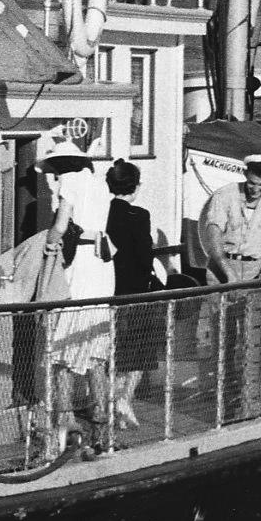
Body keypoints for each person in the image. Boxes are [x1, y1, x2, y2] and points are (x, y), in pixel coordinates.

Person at [37, 141, 116, 451]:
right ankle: (101, 427)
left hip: (80, 264)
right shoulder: (100, 184)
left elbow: (61, 224)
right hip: (101, 264)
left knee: (63, 350)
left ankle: (65, 421)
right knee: (95, 350)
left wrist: (48, 244)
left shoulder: (70, 181)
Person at [196, 153, 261, 409]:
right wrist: (227, 270)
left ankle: (245, 394)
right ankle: (221, 394)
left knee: (250, 335)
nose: (256, 190)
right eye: (252, 184)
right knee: (222, 335)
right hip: (222, 267)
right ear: (245, 176)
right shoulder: (224, 196)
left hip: (252, 271)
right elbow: (213, 233)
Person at [102, 158, 163, 430]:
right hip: (137, 293)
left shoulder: (102, 213)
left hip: (108, 291)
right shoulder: (140, 216)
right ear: (135, 187)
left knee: (114, 350)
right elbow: (144, 256)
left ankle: (112, 403)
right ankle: (124, 399)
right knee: (138, 350)